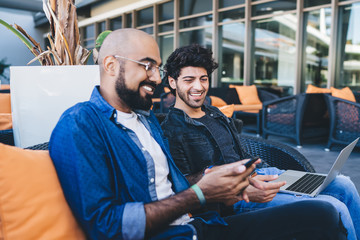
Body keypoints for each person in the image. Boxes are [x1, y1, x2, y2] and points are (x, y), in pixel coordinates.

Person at [49, 29, 346, 240]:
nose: (155, 77)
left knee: (324, 214)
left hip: (204, 222)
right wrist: (201, 193)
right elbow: (107, 227)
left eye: (156, 67)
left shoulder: (145, 119)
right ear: (111, 65)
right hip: (183, 231)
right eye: (147, 66)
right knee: (327, 212)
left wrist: (223, 179)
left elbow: (173, 181)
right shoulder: (80, 124)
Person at [161, 44, 360, 240]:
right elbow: (184, 185)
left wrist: (268, 173)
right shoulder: (172, 129)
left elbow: (238, 151)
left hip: (263, 174)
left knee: (344, 184)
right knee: (335, 206)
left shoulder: (214, 113)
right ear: (172, 82)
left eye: (203, 79)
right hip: (238, 196)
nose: (198, 86)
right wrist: (241, 187)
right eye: (189, 80)